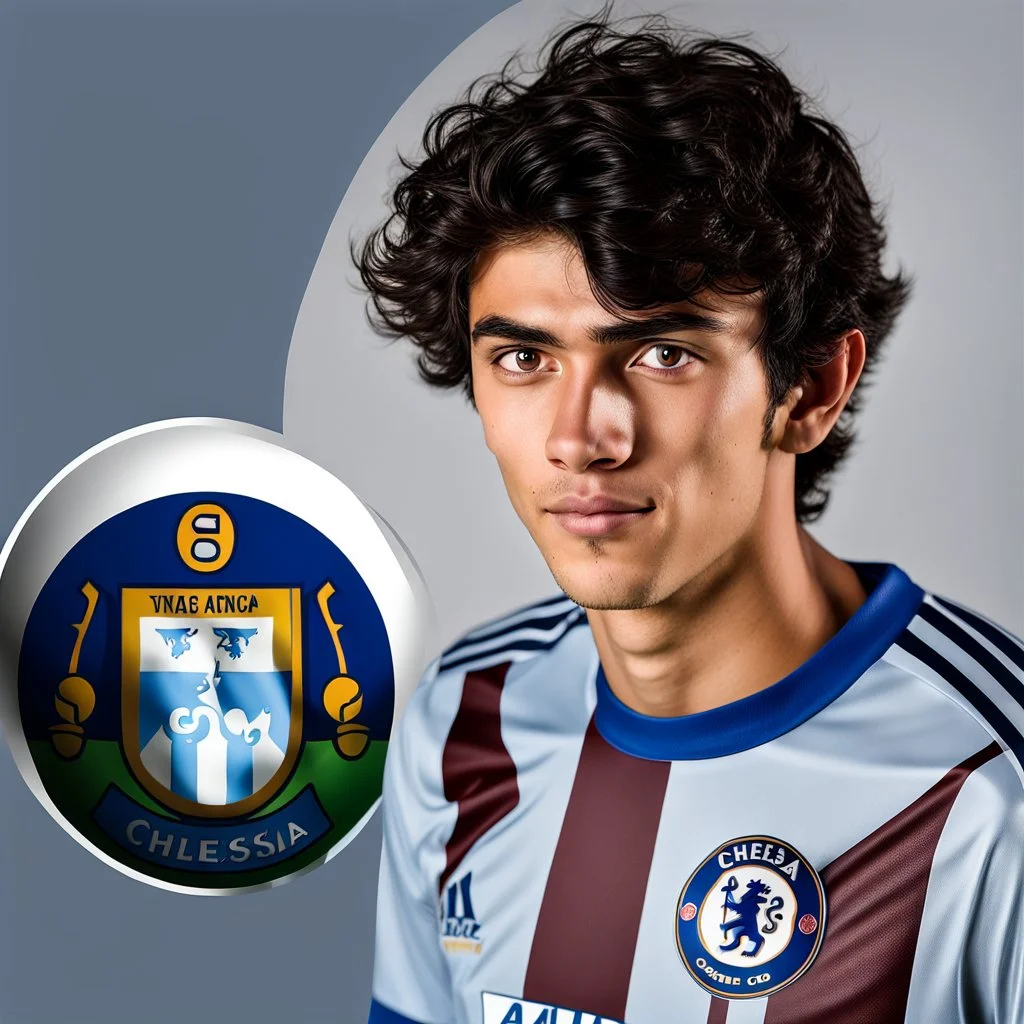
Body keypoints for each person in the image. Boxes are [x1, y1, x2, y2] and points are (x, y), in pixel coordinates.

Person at [353, 9, 1024, 1024]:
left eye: (662, 354)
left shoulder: (989, 785)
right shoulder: (460, 721)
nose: (581, 435)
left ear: (808, 388)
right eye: (524, 358)